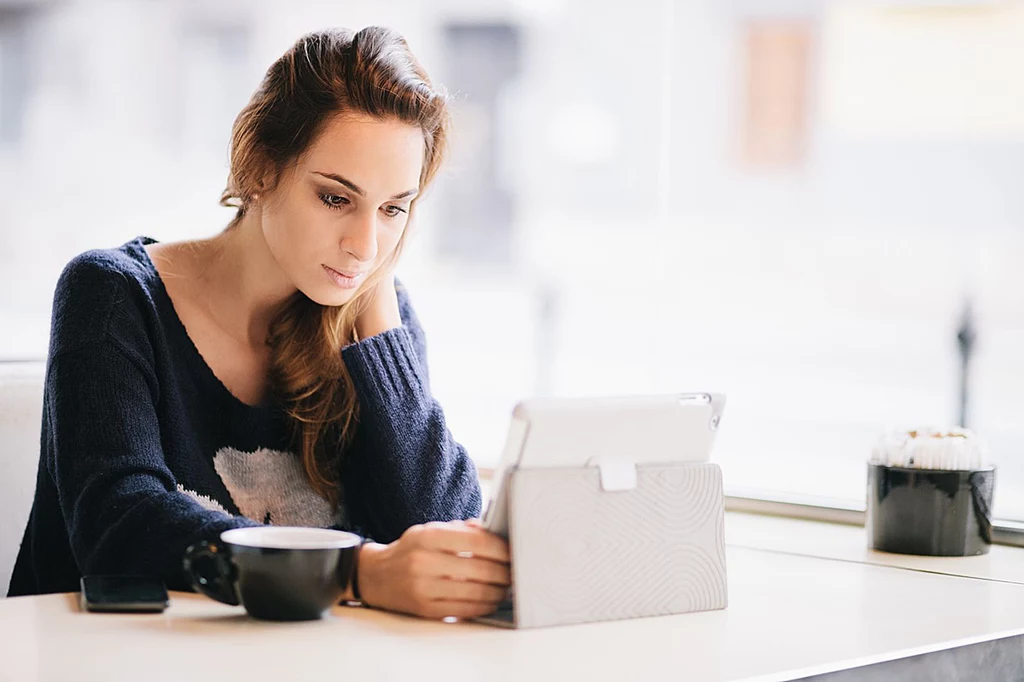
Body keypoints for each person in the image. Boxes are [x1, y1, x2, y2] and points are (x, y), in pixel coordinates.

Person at [8, 26, 511, 621]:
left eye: (393, 208)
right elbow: (119, 521)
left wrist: (377, 318)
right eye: (335, 198)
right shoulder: (113, 294)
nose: (364, 244)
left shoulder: (374, 330)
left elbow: (444, 545)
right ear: (261, 168)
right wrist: (354, 572)